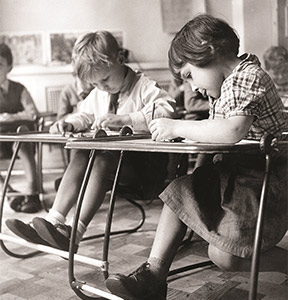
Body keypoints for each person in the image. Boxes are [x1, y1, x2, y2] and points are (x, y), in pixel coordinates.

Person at [105, 14, 288, 300]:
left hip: (261, 181)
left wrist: (177, 126)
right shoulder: (224, 87)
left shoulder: (247, 75)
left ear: (208, 48)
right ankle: (153, 275)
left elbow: (230, 131)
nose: (192, 87)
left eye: (189, 75)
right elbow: (214, 138)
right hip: (233, 174)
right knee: (178, 193)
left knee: (225, 257)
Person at [6, 31, 175, 251]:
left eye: (105, 79)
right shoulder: (100, 93)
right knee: (82, 151)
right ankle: (54, 221)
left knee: (103, 159)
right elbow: (84, 114)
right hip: (114, 170)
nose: (102, 87)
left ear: (120, 59)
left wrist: (127, 119)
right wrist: (69, 123)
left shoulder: (144, 86)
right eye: (95, 84)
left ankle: (73, 233)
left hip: (145, 172)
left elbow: (167, 111)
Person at [0, 43, 41, 213]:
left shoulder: (20, 89)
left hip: (19, 140)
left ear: (9, 67)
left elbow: (33, 114)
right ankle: (10, 192)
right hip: (0, 142)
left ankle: (32, 195)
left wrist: (11, 117)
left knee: (23, 141)